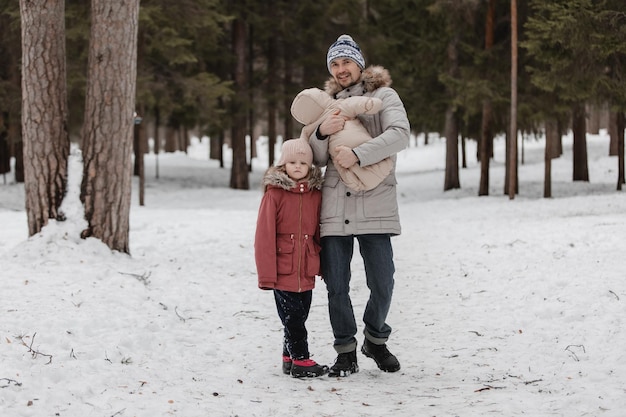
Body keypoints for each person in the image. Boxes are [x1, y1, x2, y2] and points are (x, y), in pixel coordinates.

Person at [308, 34, 410, 377]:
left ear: (359, 64)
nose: (340, 70)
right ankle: (345, 350)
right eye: (334, 64)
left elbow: (400, 134)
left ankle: (375, 340)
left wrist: (358, 154)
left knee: (383, 281)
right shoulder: (326, 104)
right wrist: (321, 133)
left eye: (345, 62)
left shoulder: (383, 96)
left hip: (375, 201)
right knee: (336, 284)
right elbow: (316, 159)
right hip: (335, 204)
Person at [254, 138, 329, 378]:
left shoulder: (315, 195)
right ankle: (301, 360)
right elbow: (264, 236)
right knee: (293, 316)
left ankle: (288, 356)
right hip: (282, 267)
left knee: (301, 313)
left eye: (303, 162)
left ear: (310, 166)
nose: (298, 166)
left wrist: (322, 264)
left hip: (306, 265)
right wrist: (266, 275)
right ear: (282, 164)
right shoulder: (274, 195)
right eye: (292, 162)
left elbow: (318, 232)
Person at [291, 87, 392, 191]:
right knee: (343, 162)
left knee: (347, 169)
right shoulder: (337, 107)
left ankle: (356, 180)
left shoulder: (338, 106)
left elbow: (303, 141)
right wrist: (321, 132)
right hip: (350, 157)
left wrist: (369, 103)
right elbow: (313, 156)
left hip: (361, 156)